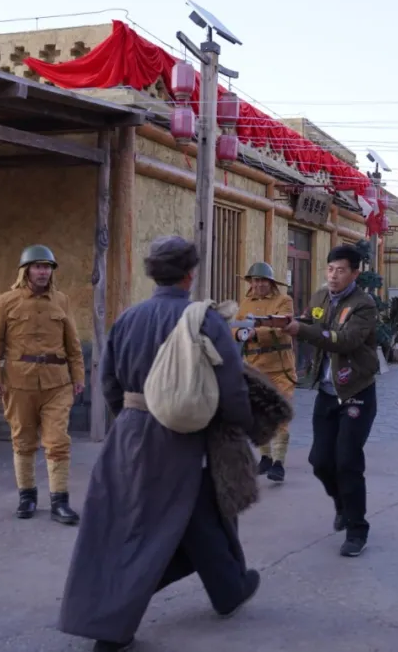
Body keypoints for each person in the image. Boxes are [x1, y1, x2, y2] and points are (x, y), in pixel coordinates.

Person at [58, 236, 260, 652]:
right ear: (190, 274)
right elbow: (232, 387)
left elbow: (108, 381)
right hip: (185, 437)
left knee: (185, 517)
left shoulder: (128, 318)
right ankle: (109, 629)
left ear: (154, 274)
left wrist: (133, 418)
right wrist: (241, 426)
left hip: (130, 432)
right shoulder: (204, 319)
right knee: (150, 530)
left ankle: (229, 589)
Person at [285, 244, 379, 557]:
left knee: (347, 461)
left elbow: (345, 340)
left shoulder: (364, 305)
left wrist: (302, 330)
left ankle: (357, 530)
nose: (333, 275)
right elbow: (312, 323)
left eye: (340, 270)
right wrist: (287, 323)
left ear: (355, 273)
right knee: (320, 461)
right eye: (330, 269)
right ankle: (342, 504)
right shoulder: (320, 297)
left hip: (356, 393)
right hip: (327, 393)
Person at [0, 244, 84, 524]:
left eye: (47, 267)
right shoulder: (6, 301)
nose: (43, 272)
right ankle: (26, 497)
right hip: (19, 383)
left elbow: (73, 344)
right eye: (38, 267)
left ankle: (60, 502)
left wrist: (78, 377)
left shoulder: (62, 301)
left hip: (57, 384)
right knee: (23, 441)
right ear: (26, 270)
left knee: (57, 442)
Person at [235, 261, 296, 483]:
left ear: (271, 283)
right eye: (255, 280)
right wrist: (238, 334)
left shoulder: (284, 301)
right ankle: (265, 457)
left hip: (281, 368)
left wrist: (255, 333)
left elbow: (282, 327)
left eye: (263, 281)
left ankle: (278, 462)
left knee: (279, 414)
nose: (259, 284)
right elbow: (236, 327)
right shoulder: (245, 303)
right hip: (255, 368)